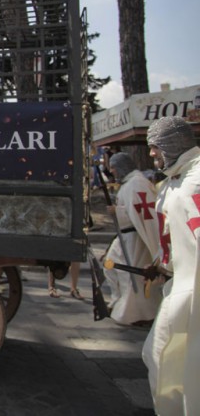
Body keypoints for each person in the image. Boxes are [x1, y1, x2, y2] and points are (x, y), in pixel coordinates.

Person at [141, 116, 199, 415]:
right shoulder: (176, 179)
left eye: (155, 147)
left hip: (193, 294)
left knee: (186, 368)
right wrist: (162, 263)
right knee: (159, 356)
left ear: (173, 143)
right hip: (180, 287)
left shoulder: (197, 180)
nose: (152, 154)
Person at [103, 152, 162, 325]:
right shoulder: (130, 184)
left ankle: (138, 314)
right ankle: (119, 302)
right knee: (110, 265)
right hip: (125, 237)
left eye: (113, 167)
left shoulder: (137, 184)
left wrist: (117, 212)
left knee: (132, 276)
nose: (112, 171)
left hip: (135, 238)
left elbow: (139, 214)